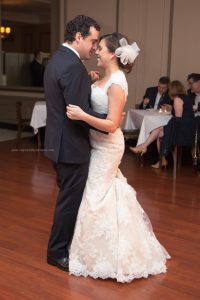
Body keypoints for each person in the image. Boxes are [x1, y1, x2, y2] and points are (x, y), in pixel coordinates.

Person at [66, 33, 170, 283]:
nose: (96, 51)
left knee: (94, 196)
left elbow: (112, 124)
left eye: (100, 48)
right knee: (104, 194)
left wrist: (82, 115)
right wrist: (93, 81)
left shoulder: (117, 83)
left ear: (113, 54)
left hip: (108, 147)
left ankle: (102, 256)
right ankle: (104, 250)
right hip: (95, 144)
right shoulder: (107, 78)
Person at [44, 15, 107, 272]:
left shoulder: (58, 59)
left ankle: (63, 246)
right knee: (69, 202)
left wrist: (86, 81)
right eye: (93, 41)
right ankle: (57, 252)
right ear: (78, 37)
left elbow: (65, 97)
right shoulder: (73, 66)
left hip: (57, 144)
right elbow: (77, 113)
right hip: (71, 147)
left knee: (66, 198)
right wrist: (110, 121)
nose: (94, 47)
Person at [130, 80, 195, 169]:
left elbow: (178, 120)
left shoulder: (177, 99)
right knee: (158, 132)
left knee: (158, 130)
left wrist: (167, 127)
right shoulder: (185, 98)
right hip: (189, 128)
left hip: (183, 130)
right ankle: (160, 158)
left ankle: (145, 148)